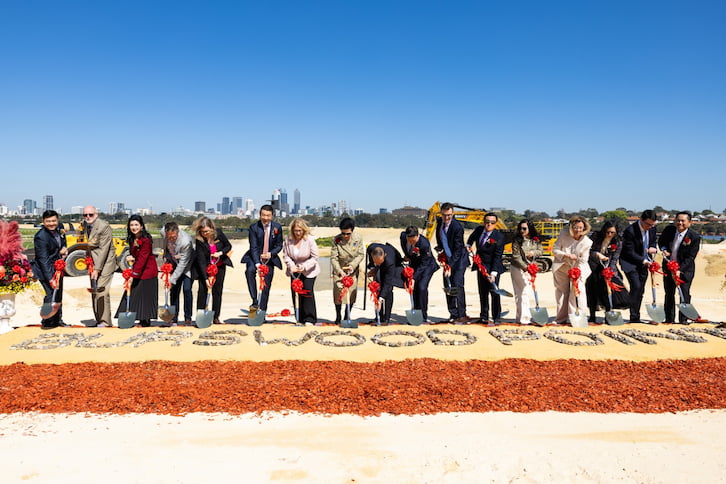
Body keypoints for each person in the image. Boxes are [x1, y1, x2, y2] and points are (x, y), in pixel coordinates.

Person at [115, 214, 159, 327]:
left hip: (148, 271)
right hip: (138, 269)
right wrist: (133, 258)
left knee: (146, 296)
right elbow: (137, 257)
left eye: (136, 225)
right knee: (133, 294)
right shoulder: (132, 238)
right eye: (131, 225)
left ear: (141, 226)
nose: (134, 227)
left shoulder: (146, 240)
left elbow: (143, 258)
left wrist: (133, 275)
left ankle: (145, 320)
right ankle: (129, 317)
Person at [658, 211, 701, 324]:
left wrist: (679, 270)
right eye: (678, 220)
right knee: (669, 293)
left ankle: (683, 319)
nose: (680, 223)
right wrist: (664, 249)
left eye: (683, 221)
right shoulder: (669, 231)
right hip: (668, 267)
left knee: (684, 294)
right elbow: (661, 241)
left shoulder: (694, 237)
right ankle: (669, 319)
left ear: (689, 222)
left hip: (685, 270)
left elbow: (691, 257)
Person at [241, 204, 283, 316]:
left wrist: (271, 254)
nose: (265, 218)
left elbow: (279, 245)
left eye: (268, 215)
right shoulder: (253, 228)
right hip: (254, 257)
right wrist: (257, 264)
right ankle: (254, 300)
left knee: (266, 284)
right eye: (263, 215)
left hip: (270, 258)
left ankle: (262, 311)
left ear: (272, 216)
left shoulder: (277, 227)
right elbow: (253, 247)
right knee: (249, 271)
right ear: (260, 215)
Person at [552, 215, 593, 324]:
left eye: (580, 228)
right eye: (575, 227)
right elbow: (555, 250)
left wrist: (577, 274)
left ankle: (579, 318)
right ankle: (560, 319)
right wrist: (567, 255)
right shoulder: (563, 235)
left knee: (578, 291)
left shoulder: (587, 242)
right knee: (562, 293)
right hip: (561, 266)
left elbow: (584, 260)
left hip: (578, 268)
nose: (578, 230)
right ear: (571, 227)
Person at [467, 212, 506, 323]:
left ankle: (496, 317)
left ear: (496, 224)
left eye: (492, 222)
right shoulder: (479, 230)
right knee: (482, 292)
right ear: (484, 222)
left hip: (493, 267)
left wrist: (493, 274)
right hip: (480, 266)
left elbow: (497, 257)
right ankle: (484, 316)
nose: (489, 224)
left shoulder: (499, 237)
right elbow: (471, 238)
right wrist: (469, 245)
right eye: (487, 222)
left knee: (494, 292)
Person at [434, 202, 470, 323]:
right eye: (444, 215)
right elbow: (441, 238)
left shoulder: (457, 227)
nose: (447, 218)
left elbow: (458, 249)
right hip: (448, 258)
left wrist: (450, 265)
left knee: (457, 286)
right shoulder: (439, 222)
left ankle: (461, 314)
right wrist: (440, 248)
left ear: (453, 213)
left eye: (449, 215)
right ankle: (453, 314)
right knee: (448, 285)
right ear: (441, 213)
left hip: (459, 261)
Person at [620, 210, 658, 323]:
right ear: (641, 220)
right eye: (648, 224)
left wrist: (653, 248)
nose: (650, 227)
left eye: (652, 224)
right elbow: (629, 251)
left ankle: (635, 317)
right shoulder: (630, 231)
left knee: (640, 290)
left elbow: (653, 242)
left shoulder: (652, 229)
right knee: (636, 286)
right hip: (630, 263)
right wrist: (644, 260)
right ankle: (631, 310)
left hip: (644, 264)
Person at [82, 205, 117, 327]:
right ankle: (98, 318)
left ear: (96, 214)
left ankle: (105, 321)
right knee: (94, 290)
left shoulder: (103, 226)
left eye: (90, 214)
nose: (88, 217)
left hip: (106, 261)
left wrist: (97, 269)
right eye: (85, 215)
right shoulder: (86, 225)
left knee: (102, 290)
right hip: (93, 260)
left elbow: (104, 249)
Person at [193, 216, 232, 324]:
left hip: (219, 267)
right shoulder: (199, 240)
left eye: (207, 231)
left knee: (217, 291)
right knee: (203, 291)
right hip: (205, 268)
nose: (205, 233)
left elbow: (228, 246)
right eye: (202, 232)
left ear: (212, 228)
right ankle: (201, 316)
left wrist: (220, 253)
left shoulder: (218, 233)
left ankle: (215, 316)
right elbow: (200, 260)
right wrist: (205, 278)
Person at [33, 210, 68, 329]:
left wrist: (63, 250)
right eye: (48, 221)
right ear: (43, 222)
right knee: (50, 294)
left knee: (58, 295)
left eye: (53, 221)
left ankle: (58, 320)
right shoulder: (41, 237)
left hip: (58, 267)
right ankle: (47, 321)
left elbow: (62, 243)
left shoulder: (60, 229)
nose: (51, 223)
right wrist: (50, 278)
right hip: (46, 270)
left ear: (57, 220)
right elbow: (43, 259)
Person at [586, 221, 627, 323]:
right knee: (592, 292)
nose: (609, 235)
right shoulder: (595, 237)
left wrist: (609, 272)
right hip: (593, 267)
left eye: (612, 233)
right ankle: (592, 315)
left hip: (607, 268)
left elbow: (615, 258)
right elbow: (588, 251)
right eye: (608, 232)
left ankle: (608, 314)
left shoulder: (618, 242)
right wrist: (597, 254)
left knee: (607, 292)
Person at [282, 218, 320, 323]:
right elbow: (285, 256)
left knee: (307, 291)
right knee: (296, 292)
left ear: (304, 230)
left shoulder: (310, 240)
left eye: (300, 230)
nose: (298, 233)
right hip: (294, 270)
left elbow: (315, 257)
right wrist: (291, 266)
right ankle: (299, 317)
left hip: (309, 270)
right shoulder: (287, 239)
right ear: (292, 230)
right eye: (296, 230)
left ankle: (310, 318)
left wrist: (304, 266)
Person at [400, 225, 439, 322]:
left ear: (418, 236)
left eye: (413, 241)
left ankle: (423, 316)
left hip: (427, 266)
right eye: (409, 241)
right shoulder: (403, 236)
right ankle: (416, 312)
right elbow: (405, 247)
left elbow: (424, 264)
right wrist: (408, 255)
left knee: (421, 287)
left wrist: (414, 278)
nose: (411, 243)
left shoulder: (424, 244)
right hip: (415, 264)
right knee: (414, 289)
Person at [509, 219, 543, 325]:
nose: (522, 230)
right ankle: (525, 318)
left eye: (524, 228)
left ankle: (520, 317)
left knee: (524, 293)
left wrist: (534, 252)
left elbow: (541, 251)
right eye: (520, 228)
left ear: (530, 229)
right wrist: (526, 268)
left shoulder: (535, 240)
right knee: (522, 292)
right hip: (518, 268)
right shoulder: (517, 241)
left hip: (530, 268)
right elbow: (516, 257)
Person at [331, 217, 364, 323]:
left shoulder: (358, 238)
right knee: (338, 293)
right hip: (339, 270)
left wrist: (353, 266)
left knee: (351, 294)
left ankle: (347, 315)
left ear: (352, 231)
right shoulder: (336, 240)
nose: (345, 236)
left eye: (348, 234)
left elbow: (360, 254)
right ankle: (338, 315)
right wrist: (339, 270)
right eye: (343, 233)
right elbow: (333, 258)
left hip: (352, 271)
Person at [161, 222, 195, 325]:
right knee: (174, 291)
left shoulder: (186, 242)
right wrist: (167, 257)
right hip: (174, 262)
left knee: (187, 290)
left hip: (187, 266)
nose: (171, 239)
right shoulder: (163, 232)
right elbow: (165, 245)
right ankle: (173, 317)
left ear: (178, 232)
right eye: (169, 237)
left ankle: (188, 318)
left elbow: (183, 264)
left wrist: (172, 279)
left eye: (174, 237)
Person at [366, 242, 404, 325]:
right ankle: (378, 316)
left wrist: (381, 298)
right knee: (376, 287)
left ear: (384, 256)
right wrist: (373, 267)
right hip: (380, 263)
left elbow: (387, 283)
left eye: (379, 262)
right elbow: (374, 264)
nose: (378, 264)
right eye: (376, 262)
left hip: (392, 266)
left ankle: (386, 318)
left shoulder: (390, 262)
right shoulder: (370, 248)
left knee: (388, 290)